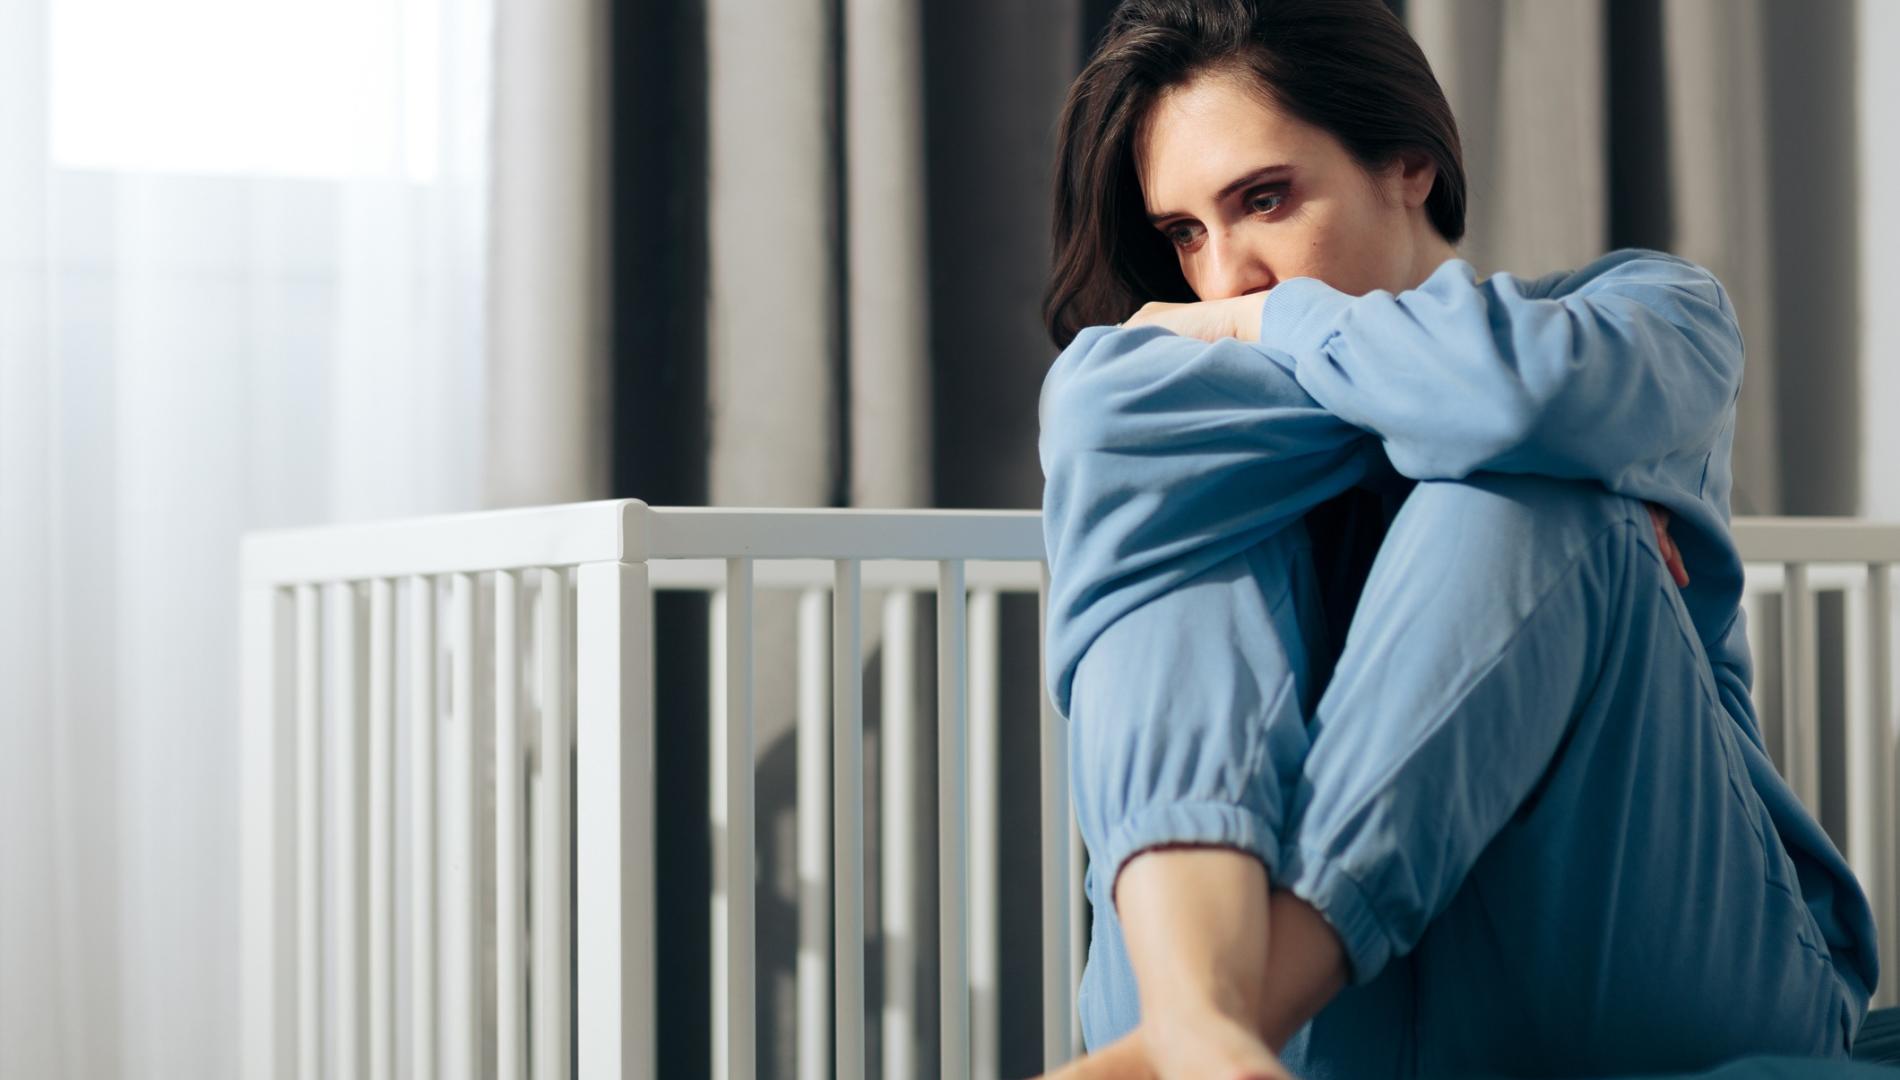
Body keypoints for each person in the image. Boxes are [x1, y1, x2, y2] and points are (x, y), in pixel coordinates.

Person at [1033, 2, 1878, 1078]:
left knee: (1526, 486)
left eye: (1264, 199)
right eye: (1184, 236)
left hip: (1638, 960)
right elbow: (1099, 413)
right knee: (1183, 535)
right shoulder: (1147, 386)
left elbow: (1528, 401)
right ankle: (1194, 1011)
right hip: (1333, 1025)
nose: (1225, 276)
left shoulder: (1639, 315)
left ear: (1409, 165)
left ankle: (1213, 1028)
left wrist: (1271, 329)